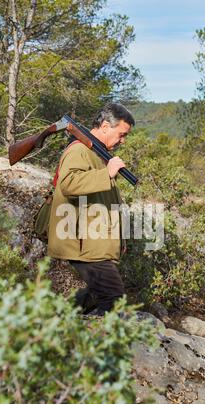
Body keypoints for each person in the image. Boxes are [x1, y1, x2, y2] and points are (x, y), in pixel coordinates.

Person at [48, 103, 135, 316]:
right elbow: (68, 184)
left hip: (93, 240)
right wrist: (108, 174)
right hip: (81, 240)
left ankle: (53, 325)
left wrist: (117, 239)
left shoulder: (97, 153)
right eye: (121, 134)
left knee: (97, 294)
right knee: (113, 298)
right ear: (105, 126)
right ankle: (97, 345)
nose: (122, 141)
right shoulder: (79, 149)